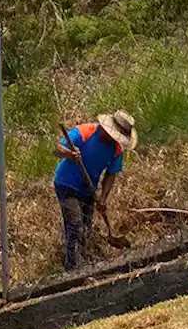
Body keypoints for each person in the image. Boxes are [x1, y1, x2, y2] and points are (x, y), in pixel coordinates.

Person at [53, 110, 137, 269]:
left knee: (85, 230)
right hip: (66, 184)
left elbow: (111, 174)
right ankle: (72, 270)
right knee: (75, 225)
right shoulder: (84, 132)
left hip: (88, 189)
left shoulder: (116, 150)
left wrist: (103, 197)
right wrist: (70, 154)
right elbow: (57, 149)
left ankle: (82, 265)